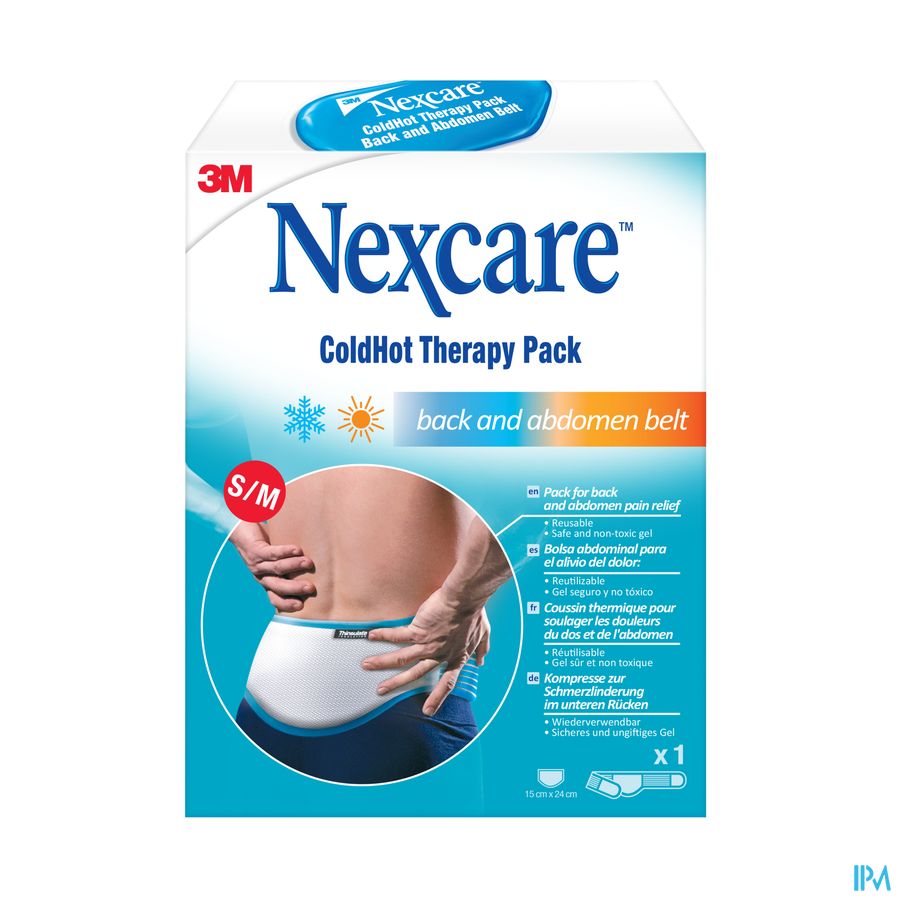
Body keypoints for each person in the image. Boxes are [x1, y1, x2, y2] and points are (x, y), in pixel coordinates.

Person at [229, 466, 511, 783]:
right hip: (405, 692)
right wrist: (462, 597)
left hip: (271, 686)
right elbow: (532, 494)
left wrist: (234, 524)